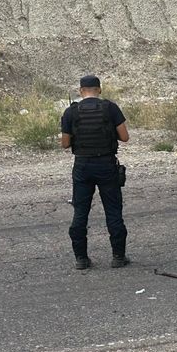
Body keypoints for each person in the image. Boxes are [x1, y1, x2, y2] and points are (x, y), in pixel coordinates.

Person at [60, 75, 130, 270]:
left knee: (80, 212)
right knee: (113, 211)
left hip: (82, 166)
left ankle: (81, 259)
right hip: (106, 164)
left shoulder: (71, 112)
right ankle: (118, 257)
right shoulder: (110, 108)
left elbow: (65, 144)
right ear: (99, 89)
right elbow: (124, 137)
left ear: (81, 91)